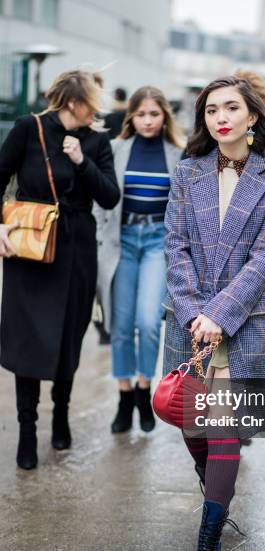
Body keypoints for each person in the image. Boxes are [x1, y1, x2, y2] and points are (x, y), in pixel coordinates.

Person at [163, 73, 265, 551]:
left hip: (243, 320)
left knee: (226, 431)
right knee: (194, 429)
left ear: (252, 117)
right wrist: (197, 314)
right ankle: (216, 492)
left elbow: (264, 259)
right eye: (212, 109)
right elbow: (175, 248)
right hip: (189, 320)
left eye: (231, 107)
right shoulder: (187, 172)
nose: (220, 117)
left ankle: (209, 537)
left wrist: (221, 314)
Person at [0, 69, 120, 470]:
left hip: (77, 251)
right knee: (27, 338)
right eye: (93, 101)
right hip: (31, 249)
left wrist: (82, 161)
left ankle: (62, 415)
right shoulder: (27, 129)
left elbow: (109, 196)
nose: (98, 109)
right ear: (74, 101)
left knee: (70, 333)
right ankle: (28, 430)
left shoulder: (96, 141)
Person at [95, 87, 183, 434]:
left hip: (157, 243)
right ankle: (123, 395)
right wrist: (101, 233)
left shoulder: (178, 155)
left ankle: (144, 389)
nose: (147, 121)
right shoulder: (115, 149)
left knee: (148, 322)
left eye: (154, 114)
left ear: (165, 117)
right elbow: (99, 198)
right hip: (121, 242)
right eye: (141, 114)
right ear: (131, 116)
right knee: (119, 325)